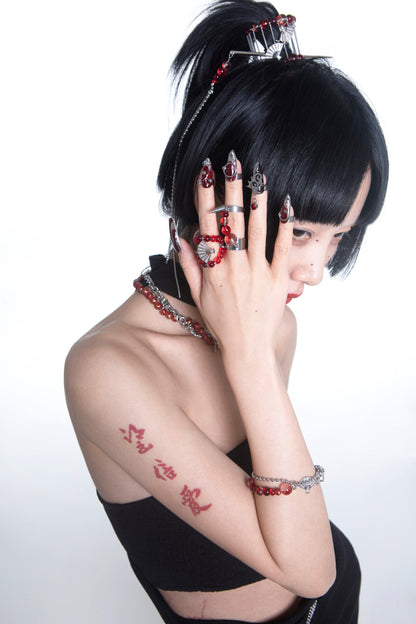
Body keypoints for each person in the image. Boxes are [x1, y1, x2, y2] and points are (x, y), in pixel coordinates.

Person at [64, 1, 388, 622]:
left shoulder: (276, 328)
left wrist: (251, 347)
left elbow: (301, 547)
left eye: (339, 237)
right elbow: (308, 569)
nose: (316, 270)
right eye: (302, 232)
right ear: (216, 197)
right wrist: (247, 356)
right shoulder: (108, 371)